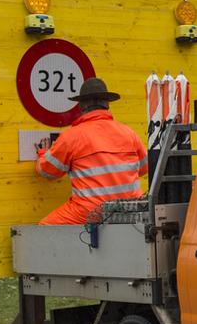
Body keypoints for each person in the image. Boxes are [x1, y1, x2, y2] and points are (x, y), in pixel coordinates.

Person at [35, 77, 148, 225]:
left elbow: (47, 171)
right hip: (130, 209)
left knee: (43, 228)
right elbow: (144, 168)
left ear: (81, 106)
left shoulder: (72, 136)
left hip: (90, 212)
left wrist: (43, 153)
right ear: (107, 104)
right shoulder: (128, 133)